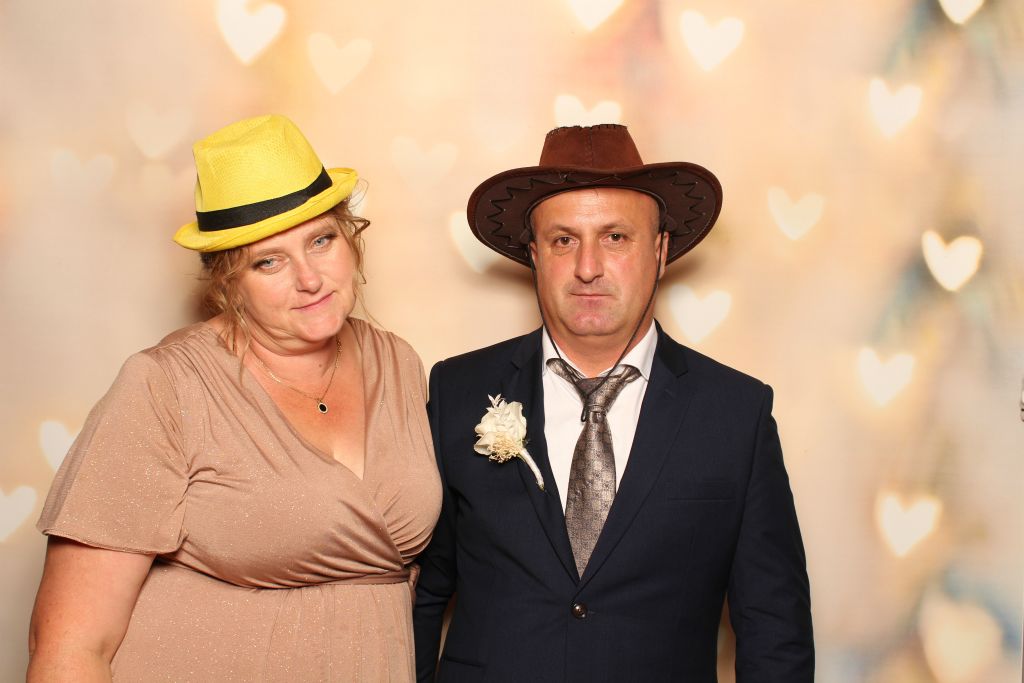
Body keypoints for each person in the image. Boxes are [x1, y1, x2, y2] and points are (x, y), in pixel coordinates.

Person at [28, 114, 441, 682]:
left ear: (351, 239)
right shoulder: (165, 385)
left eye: (321, 241)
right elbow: (69, 647)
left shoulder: (397, 363)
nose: (310, 279)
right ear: (228, 281)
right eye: (269, 261)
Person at [413, 124, 813, 682]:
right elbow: (420, 595)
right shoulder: (457, 391)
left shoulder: (735, 414)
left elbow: (775, 629)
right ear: (534, 254)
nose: (588, 267)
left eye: (615, 237)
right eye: (563, 240)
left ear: (661, 250)